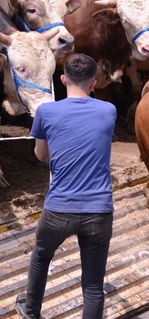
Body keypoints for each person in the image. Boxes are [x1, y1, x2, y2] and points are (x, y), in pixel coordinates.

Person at [15, 53, 117, 319]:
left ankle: (32, 311)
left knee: (40, 256)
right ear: (94, 83)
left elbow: (40, 155)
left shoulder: (46, 111)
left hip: (58, 209)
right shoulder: (109, 110)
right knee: (93, 286)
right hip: (99, 211)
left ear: (62, 79)